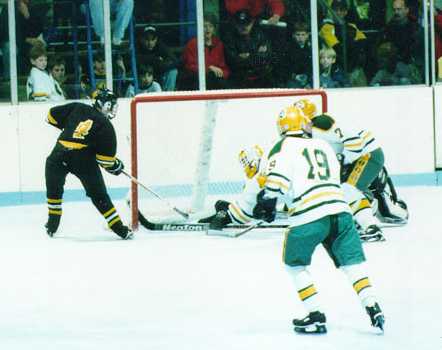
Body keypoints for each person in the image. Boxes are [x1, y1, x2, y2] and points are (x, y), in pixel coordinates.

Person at [252, 105, 385, 334]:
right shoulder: (323, 145)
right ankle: (373, 306)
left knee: (295, 265)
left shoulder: (283, 149)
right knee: (352, 265)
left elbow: (276, 184)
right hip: (341, 212)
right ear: (304, 124)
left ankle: (315, 314)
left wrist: (266, 202)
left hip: (308, 217)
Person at [44, 88, 133, 240]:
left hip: (58, 154)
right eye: (110, 104)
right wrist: (117, 166)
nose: (112, 108)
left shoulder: (78, 107)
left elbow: (50, 116)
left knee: (54, 190)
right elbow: (106, 161)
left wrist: (69, 127)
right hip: (82, 160)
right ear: (102, 104)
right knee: (98, 194)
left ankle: (52, 224)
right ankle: (119, 228)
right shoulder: (106, 126)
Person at [308, 112, 386, 242]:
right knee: (347, 188)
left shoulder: (323, 127)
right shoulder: (321, 129)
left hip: (368, 155)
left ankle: (372, 227)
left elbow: (355, 144)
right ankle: (363, 218)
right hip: (365, 155)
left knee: (349, 189)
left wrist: (344, 160)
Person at [179, 13, 230, 91]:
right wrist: (208, 68)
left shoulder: (219, 44)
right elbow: (190, 66)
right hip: (196, 79)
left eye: (210, 26)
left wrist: (222, 72)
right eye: (205, 26)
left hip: (215, 79)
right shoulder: (192, 44)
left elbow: (224, 66)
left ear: (214, 29)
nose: (208, 29)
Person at [223, 9, 273, 88]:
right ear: (235, 24)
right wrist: (256, 54)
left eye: (247, 24)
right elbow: (233, 61)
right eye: (240, 24)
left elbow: (266, 58)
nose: (244, 27)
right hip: (240, 79)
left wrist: (247, 56)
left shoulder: (260, 36)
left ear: (252, 23)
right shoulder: (230, 38)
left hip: (261, 77)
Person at [137, 25, 179, 92]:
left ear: (156, 39)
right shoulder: (137, 47)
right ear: (141, 39)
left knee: (173, 71)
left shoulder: (160, 46)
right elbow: (135, 61)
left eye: (152, 39)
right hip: (142, 77)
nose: (150, 43)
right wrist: (155, 59)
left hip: (158, 74)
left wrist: (161, 64)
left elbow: (176, 62)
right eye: (147, 39)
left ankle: (167, 96)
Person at [282, 21, 312, 88]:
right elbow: (283, 68)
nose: (300, 37)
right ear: (293, 35)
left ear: (307, 35)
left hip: (307, 80)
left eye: (303, 34)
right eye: (298, 34)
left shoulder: (311, 49)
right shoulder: (288, 49)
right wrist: (295, 76)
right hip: (292, 79)